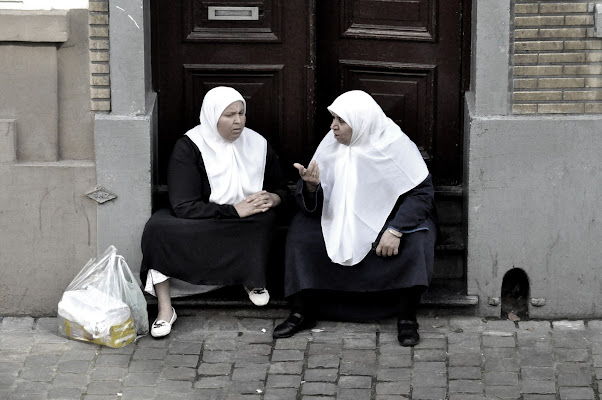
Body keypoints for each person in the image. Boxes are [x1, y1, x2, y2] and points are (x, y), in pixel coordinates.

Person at [273, 90, 437, 346]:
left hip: (389, 219)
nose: (333, 126)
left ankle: (406, 315)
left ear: (361, 122)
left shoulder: (394, 145)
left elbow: (422, 194)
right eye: (333, 118)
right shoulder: (331, 144)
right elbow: (312, 200)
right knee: (300, 235)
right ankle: (302, 310)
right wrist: (312, 188)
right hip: (338, 213)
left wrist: (395, 230)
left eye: (341, 120)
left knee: (417, 242)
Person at [140, 86, 286, 338]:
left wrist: (274, 198)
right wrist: (234, 211)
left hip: (245, 220)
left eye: (241, 113)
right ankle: (165, 309)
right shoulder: (189, 146)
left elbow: (280, 187)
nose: (238, 121)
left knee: (264, 220)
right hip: (203, 218)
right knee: (157, 229)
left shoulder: (258, 143)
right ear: (211, 116)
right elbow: (184, 205)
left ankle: (252, 278)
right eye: (229, 115)